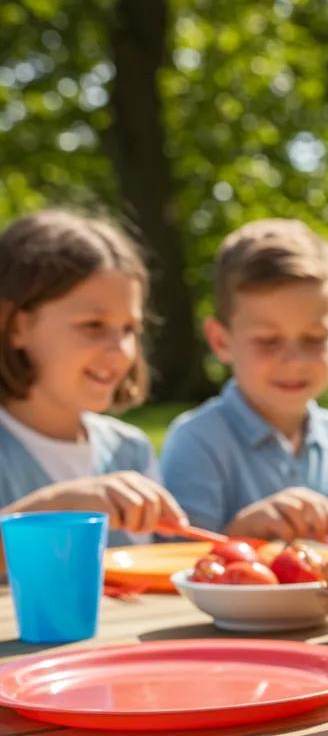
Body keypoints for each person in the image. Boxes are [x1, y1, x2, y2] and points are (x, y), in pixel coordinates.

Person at [161, 219, 328, 539]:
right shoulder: (197, 442)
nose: (293, 360)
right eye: (268, 340)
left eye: (313, 338)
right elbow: (173, 565)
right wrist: (243, 535)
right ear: (221, 341)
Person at [0, 209, 188, 559]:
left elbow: (168, 567)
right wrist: (55, 508)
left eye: (129, 329)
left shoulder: (129, 450)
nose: (120, 352)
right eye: (93, 325)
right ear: (14, 326)